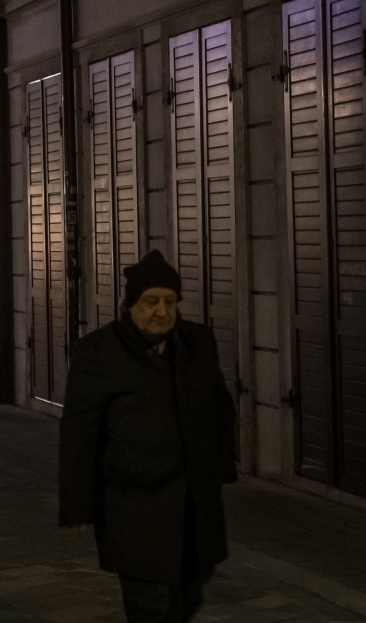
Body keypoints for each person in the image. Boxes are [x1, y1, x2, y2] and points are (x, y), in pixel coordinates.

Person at [59, 250, 237, 623]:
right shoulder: (99, 352)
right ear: (131, 305)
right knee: (150, 603)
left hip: (194, 502)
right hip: (134, 504)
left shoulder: (198, 344)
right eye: (151, 302)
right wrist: (78, 504)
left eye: (169, 302)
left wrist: (219, 466)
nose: (161, 311)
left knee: (189, 591)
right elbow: (79, 432)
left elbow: (221, 407)